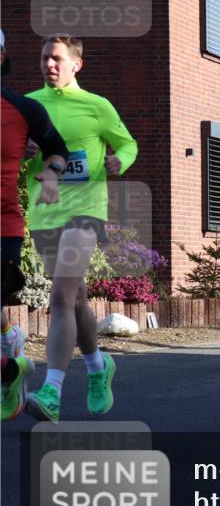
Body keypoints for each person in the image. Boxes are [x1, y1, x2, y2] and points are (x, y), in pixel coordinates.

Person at [22, 36, 138, 423]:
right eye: (44, 58)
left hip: (86, 212)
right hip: (45, 213)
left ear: (76, 64)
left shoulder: (96, 106)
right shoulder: (28, 104)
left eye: (56, 59)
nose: (48, 64)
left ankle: (51, 391)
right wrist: (21, 154)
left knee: (59, 296)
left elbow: (128, 144)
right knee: (75, 300)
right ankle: (97, 367)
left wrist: (119, 160)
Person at [1, 30, 68, 421]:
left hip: (3, 222)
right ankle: (11, 364)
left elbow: (58, 148)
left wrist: (53, 172)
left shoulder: (23, 109)